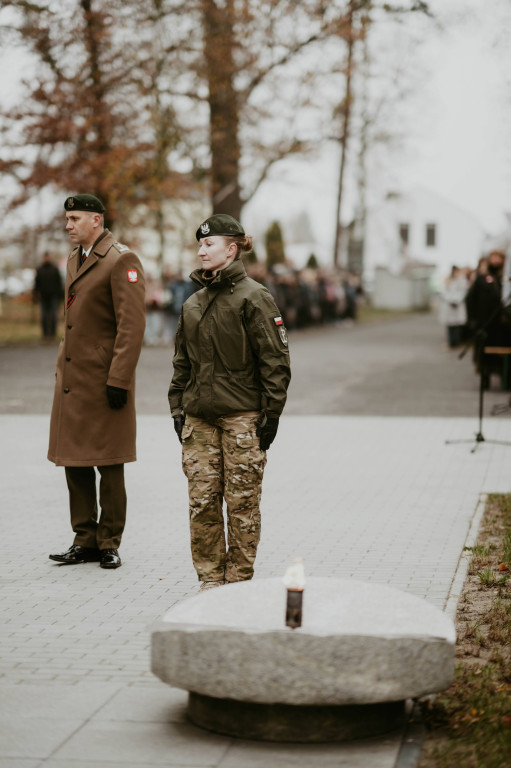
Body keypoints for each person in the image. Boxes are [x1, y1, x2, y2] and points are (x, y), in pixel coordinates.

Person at [168, 214, 291, 591]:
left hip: (242, 421)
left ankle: (238, 585)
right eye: (200, 245)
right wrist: (178, 410)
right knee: (202, 506)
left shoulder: (254, 297)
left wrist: (269, 418)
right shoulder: (193, 304)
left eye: (210, 244)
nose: (202, 250)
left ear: (232, 248)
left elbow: (276, 363)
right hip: (199, 422)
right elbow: (181, 366)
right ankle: (209, 583)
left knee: (241, 507)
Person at [48, 194, 146, 569]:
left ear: (96, 219)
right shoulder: (76, 257)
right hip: (75, 378)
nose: (68, 225)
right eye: (67, 219)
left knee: (109, 463)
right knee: (74, 461)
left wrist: (119, 378)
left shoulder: (122, 259)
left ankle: (109, 542)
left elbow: (132, 326)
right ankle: (84, 538)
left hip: (106, 381)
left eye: (74, 218)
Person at [465, 249, 511, 388]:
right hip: (486, 323)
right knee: (484, 353)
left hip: (503, 325)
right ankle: (485, 378)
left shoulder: (506, 278)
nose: (495, 260)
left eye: (498, 257)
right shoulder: (482, 278)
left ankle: (506, 379)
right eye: (493, 257)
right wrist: (472, 320)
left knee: (504, 354)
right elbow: (470, 299)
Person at [33, 251, 64, 340]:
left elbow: (59, 283)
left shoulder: (54, 269)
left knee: (54, 316)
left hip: (54, 297)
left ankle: (53, 334)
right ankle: (45, 334)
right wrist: (35, 295)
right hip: (43, 297)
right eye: (45, 257)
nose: (47, 258)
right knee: (43, 316)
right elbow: (36, 283)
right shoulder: (39, 269)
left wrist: (61, 296)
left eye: (48, 257)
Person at [439, 265, 468, 348]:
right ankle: (451, 341)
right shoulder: (447, 280)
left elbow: (463, 292)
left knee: (456, 325)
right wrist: (450, 300)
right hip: (449, 306)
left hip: (458, 305)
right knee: (450, 325)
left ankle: (456, 341)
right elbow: (444, 291)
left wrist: (457, 300)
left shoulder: (462, 280)